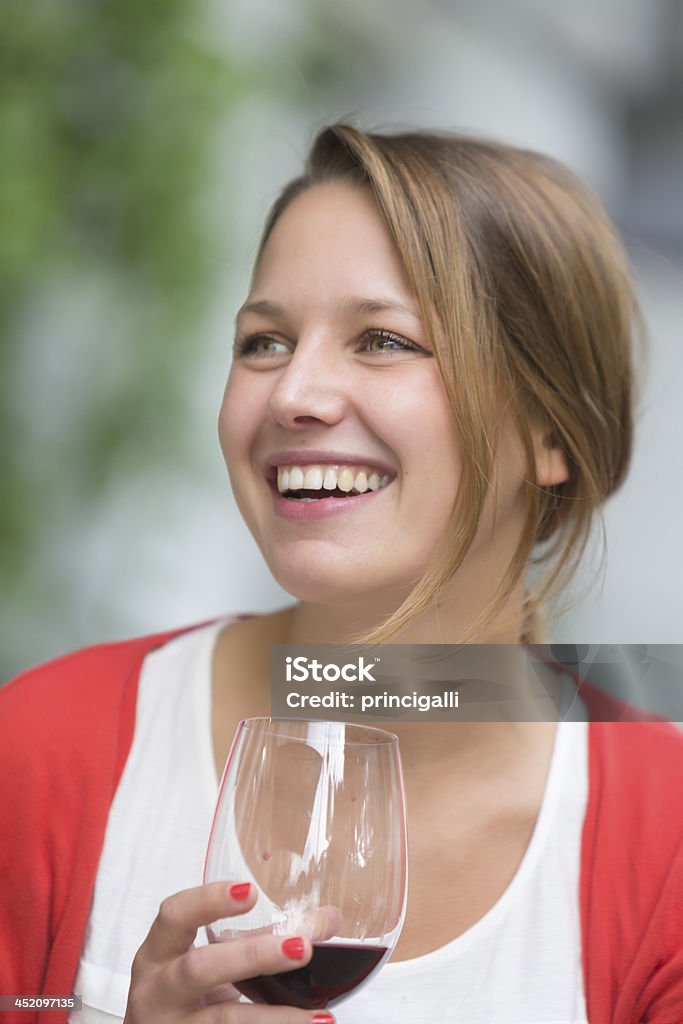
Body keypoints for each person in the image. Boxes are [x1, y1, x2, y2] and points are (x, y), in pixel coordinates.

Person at [2, 123, 683, 1024]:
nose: (292, 394)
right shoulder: (48, 745)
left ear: (549, 432)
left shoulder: (663, 841)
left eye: (384, 341)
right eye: (263, 342)